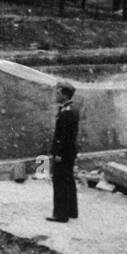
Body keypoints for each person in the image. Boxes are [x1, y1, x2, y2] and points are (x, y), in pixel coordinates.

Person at [47, 81, 80, 223]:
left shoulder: (66, 112)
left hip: (63, 153)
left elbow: (64, 137)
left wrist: (58, 154)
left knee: (60, 182)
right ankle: (72, 210)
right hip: (69, 152)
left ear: (64, 95)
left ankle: (61, 214)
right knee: (68, 180)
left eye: (58, 93)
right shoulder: (72, 108)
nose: (56, 95)